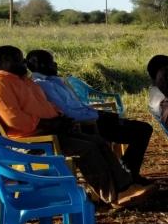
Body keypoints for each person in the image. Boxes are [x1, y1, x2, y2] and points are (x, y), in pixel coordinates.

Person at [0, 46, 152, 207]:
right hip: (33, 139)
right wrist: (50, 123)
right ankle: (112, 196)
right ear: (4, 61)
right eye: (19, 59)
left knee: (98, 141)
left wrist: (61, 119)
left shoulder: (26, 82)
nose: (23, 62)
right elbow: (15, 120)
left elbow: (49, 106)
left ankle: (125, 186)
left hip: (53, 130)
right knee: (87, 149)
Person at [26, 49, 154, 184]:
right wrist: (98, 115)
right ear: (40, 65)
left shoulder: (55, 80)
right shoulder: (42, 85)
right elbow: (68, 113)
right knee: (142, 131)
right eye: (51, 62)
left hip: (91, 119)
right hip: (85, 125)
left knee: (143, 128)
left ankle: (126, 173)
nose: (55, 64)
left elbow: (78, 106)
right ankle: (127, 175)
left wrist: (100, 113)